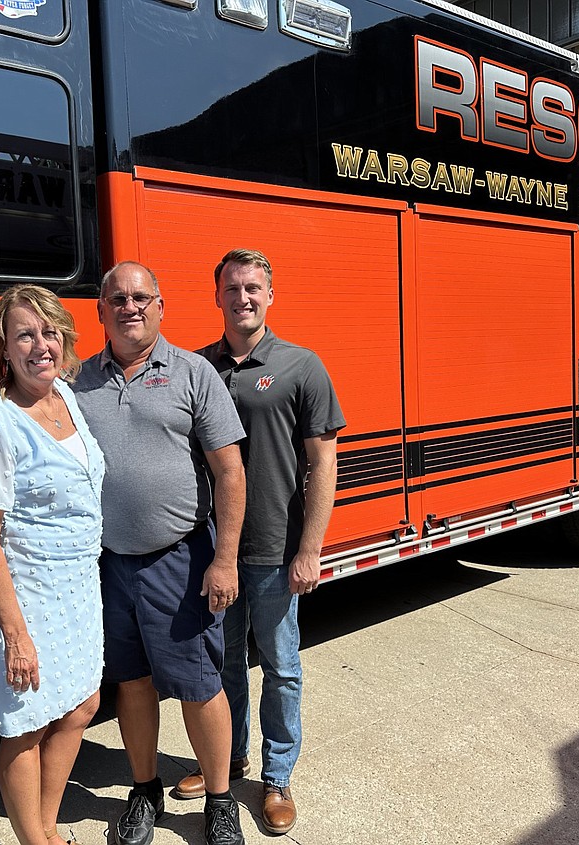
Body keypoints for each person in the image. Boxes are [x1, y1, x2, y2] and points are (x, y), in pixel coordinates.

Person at [72, 261, 248, 845]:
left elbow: (229, 472)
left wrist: (224, 559)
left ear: (161, 307)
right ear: (99, 311)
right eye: (117, 299)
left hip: (180, 558)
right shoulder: (77, 383)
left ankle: (221, 799)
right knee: (132, 683)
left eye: (141, 297)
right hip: (108, 563)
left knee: (200, 682)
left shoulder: (195, 373)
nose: (130, 307)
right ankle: (144, 788)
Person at [181, 248, 345, 835]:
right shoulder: (199, 367)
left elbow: (323, 463)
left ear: (270, 296)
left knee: (280, 668)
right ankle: (226, 760)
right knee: (221, 666)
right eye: (232, 289)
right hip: (214, 552)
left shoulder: (301, 366)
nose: (243, 298)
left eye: (253, 288)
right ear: (217, 296)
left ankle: (277, 777)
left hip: (276, 552)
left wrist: (310, 549)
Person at [0, 285, 105, 845]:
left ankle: (44, 826)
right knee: (27, 724)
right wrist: (14, 634)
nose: (41, 344)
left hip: (79, 585)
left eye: (49, 332)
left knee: (81, 703)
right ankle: (33, 840)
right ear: (3, 348)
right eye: (25, 334)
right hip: (29, 591)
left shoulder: (67, 398)